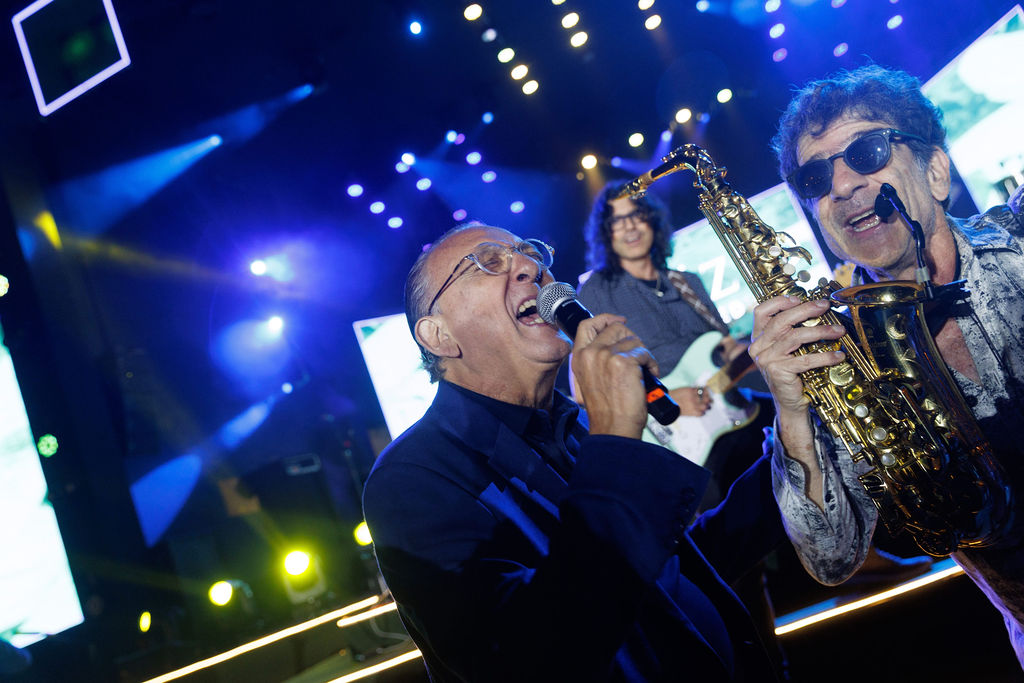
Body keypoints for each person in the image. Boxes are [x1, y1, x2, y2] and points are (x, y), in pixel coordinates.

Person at [362, 223, 785, 681]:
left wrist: (796, 450)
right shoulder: (410, 480)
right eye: (488, 262)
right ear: (439, 336)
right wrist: (615, 441)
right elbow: (530, 657)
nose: (531, 267)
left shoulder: (577, 425)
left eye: (531, 252)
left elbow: (666, 574)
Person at [750, 64, 1024, 666]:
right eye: (816, 177)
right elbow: (831, 557)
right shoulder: (836, 357)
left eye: (867, 152)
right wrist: (792, 411)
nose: (843, 185)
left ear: (936, 171)